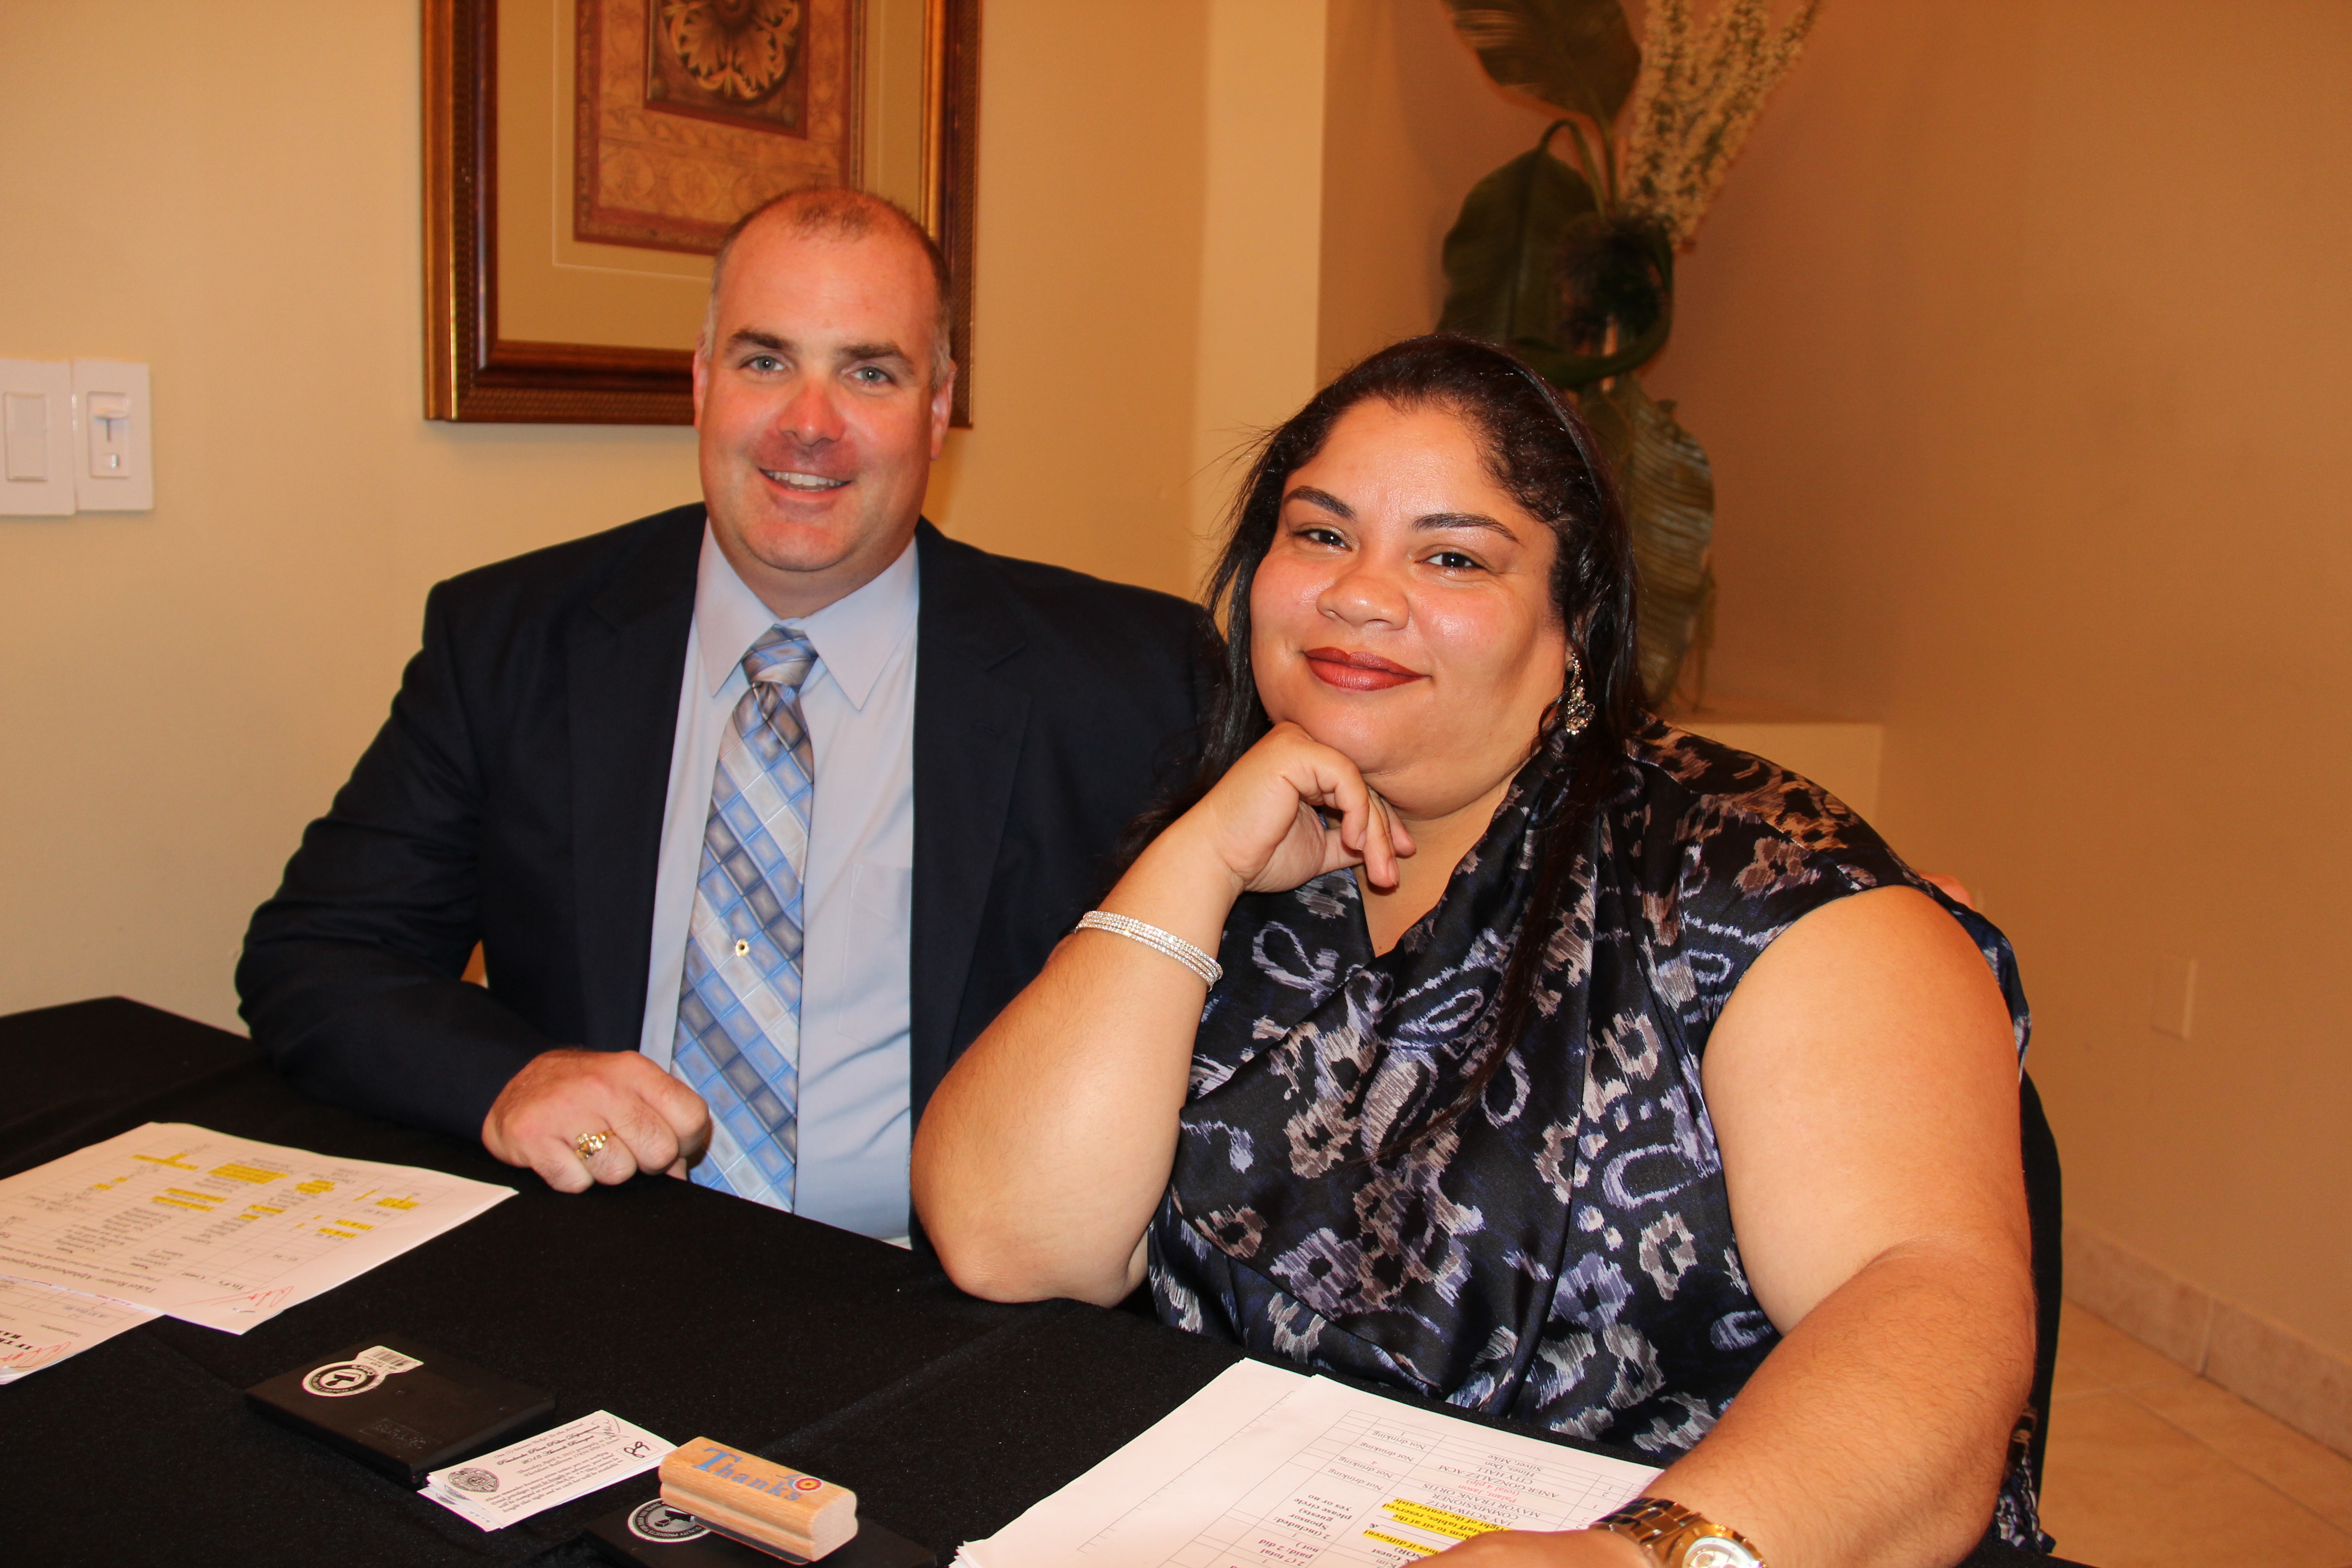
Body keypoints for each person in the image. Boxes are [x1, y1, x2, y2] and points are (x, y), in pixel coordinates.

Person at [911, 336, 2041, 1563]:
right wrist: (1197, 860)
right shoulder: (1244, 851)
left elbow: (1931, 1302)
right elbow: (1003, 1238)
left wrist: (1650, 1551)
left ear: (1573, 628)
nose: (1359, 594)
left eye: (1451, 556)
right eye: (1321, 534)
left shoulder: (1751, 883)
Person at [238, 189, 1207, 1242]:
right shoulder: (513, 639)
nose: (809, 424)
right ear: (701, 379)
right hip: (597, 1262)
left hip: (945, 1303)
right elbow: (319, 955)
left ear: (937, 408)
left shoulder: (1129, 679)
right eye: (764, 361)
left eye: (870, 372)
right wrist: (512, 1078)